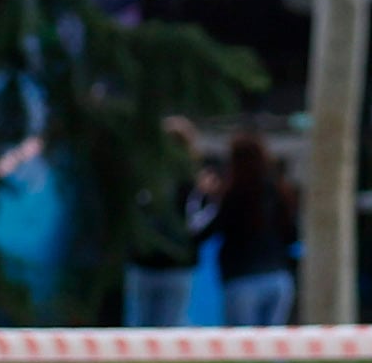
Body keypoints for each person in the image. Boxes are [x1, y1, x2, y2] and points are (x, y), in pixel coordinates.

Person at [126, 117, 209, 330]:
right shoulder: (194, 186)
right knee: (169, 328)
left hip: (149, 263)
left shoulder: (144, 179)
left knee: (142, 328)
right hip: (172, 265)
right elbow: (199, 225)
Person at [210, 131, 300, 327]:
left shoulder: (232, 194)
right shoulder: (279, 191)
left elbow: (213, 228)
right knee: (272, 347)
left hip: (242, 278)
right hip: (278, 276)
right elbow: (292, 235)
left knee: (243, 347)